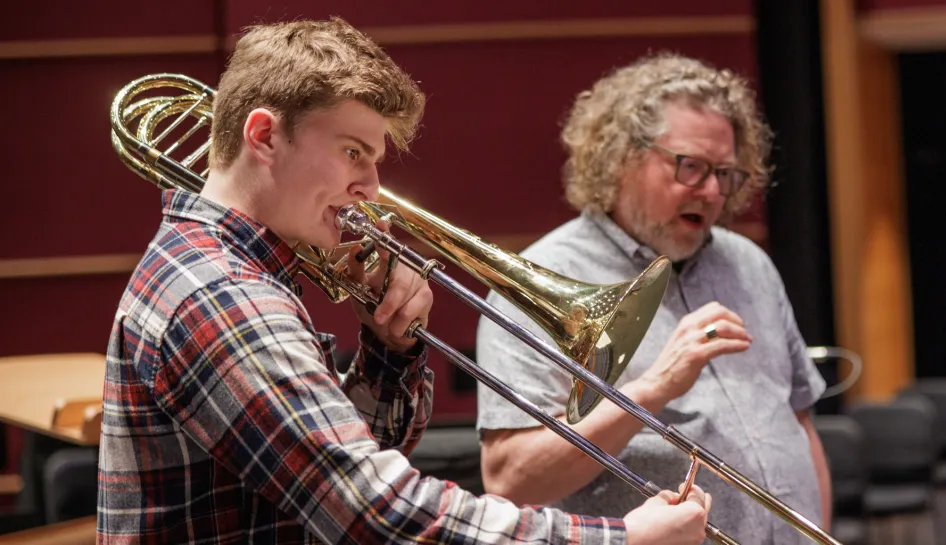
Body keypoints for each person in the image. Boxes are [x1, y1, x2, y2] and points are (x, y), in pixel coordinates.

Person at [97, 18, 713, 544]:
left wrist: (390, 351)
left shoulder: (236, 272)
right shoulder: (224, 294)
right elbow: (375, 513)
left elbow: (341, 462)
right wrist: (622, 537)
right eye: (352, 152)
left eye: (374, 159)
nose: (370, 187)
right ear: (263, 136)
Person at [475, 52, 833, 543]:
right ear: (621, 157)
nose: (711, 191)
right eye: (690, 167)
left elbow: (798, 422)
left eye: (726, 174)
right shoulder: (540, 282)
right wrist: (654, 387)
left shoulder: (749, 263)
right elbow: (511, 480)